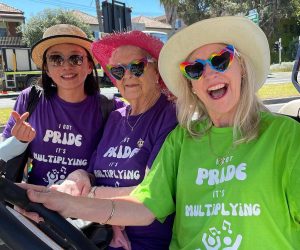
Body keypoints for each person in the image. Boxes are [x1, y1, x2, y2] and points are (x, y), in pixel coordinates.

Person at [20, 16, 300, 249]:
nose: (209, 74)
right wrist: (60, 201)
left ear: (242, 67)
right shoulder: (184, 139)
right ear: (190, 83)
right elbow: (144, 205)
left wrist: (82, 198)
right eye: (195, 68)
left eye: (221, 60)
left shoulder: (286, 137)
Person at [53, 30, 178, 250]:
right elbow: (93, 172)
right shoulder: (115, 117)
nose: (127, 75)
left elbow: (148, 193)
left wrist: (90, 197)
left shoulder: (170, 115)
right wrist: (79, 176)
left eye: (137, 66)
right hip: (101, 237)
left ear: (156, 69)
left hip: (146, 242)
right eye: (118, 70)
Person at [2, 24, 122, 186]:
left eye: (76, 58)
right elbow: (3, 155)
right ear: (47, 69)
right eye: (56, 59)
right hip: (33, 204)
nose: (66, 66)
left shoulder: (110, 107)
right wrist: (18, 141)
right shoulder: (30, 99)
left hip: (84, 205)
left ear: (88, 66)